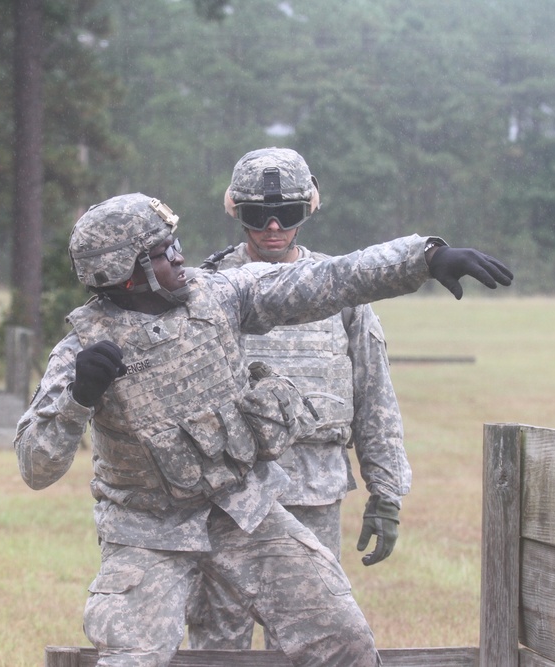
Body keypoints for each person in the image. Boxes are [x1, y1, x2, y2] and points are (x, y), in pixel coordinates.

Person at [13, 192, 512, 667]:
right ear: (124, 275)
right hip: (147, 532)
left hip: (243, 512)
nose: (181, 257)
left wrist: (423, 259)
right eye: (164, 253)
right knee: (132, 657)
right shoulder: (83, 350)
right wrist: (79, 398)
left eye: (176, 244)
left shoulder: (221, 295)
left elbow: (326, 280)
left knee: (343, 640)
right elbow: (36, 466)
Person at [188, 147, 409, 651]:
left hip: (314, 492)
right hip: (228, 494)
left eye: (286, 214)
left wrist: (386, 492)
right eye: (256, 215)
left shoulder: (341, 288)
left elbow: (373, 394)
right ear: (233, 211)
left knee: (314, 639)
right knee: (217, 641)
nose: (271, 227)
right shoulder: (206, 290)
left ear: (308, 208)